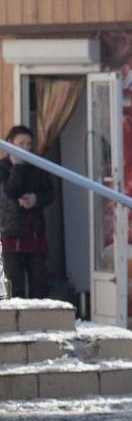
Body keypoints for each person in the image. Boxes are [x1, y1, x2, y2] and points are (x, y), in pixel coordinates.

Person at [0, 125, 53, 298]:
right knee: (15, 286)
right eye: (21, 144)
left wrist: (36, 199)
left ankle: (39, 322)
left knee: (39, 284)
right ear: (10, 143)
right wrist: (17, 166)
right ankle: (18, 323)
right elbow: (9, 192)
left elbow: (49, 193)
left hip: (34, 231)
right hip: (11, 232)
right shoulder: (3, 167)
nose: (26, 148)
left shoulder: (37, 164)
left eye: (29, 144)